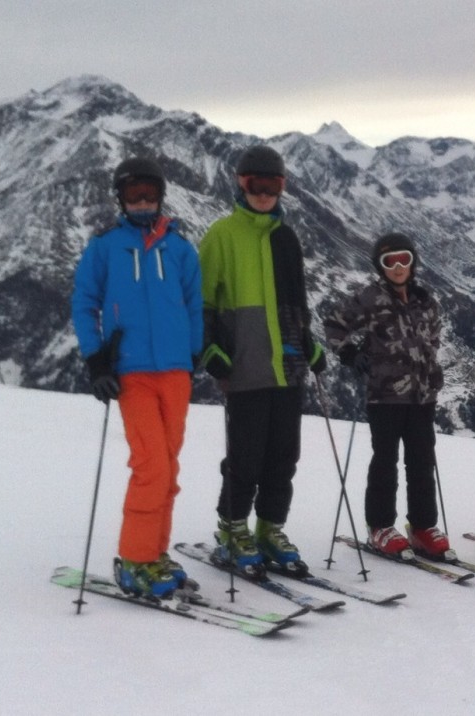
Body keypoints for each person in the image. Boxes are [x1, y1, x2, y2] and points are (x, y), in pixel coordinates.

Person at [71, 157, 203, 598]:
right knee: (151, 466)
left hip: (175, 372)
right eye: (134, 195)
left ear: (160, 196)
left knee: (169, 466)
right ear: (121, 199)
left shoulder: (180, 249)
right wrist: (96, 360)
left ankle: (156, 553)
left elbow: (194, 303)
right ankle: (135, 560)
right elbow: (84, 302)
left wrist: (194, 352)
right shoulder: (106, 247)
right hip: (132, 371)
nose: (143, 202)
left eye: (149, 194)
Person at [198, 145, 326, 574]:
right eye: (256, 185)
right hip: (245, 365)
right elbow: (203, 303)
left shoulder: (286, 238)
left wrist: (307, 342)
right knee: (246, 456)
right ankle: (232, 528)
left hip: (288, 368)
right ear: (241, 184)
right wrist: (211, 348)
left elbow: (296, 302)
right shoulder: (221, 235)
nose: (264, 194)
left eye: (272, 186)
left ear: (283, 187)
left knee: (283, 456)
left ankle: (270, 528)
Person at [323, 233, 451, 560]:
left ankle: (423, 527)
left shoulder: (426, 301)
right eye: (389, 261)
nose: (397, 267)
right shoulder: (369, 298)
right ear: (380, 267)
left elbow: (433, 338)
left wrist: (430, 368)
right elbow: (334, 325)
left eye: (403, 260)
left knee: (422, 462)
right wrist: (351, 354)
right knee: (385, 462)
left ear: (413, 262)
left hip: (422, 397)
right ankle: (380, 525)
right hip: (384, 395)